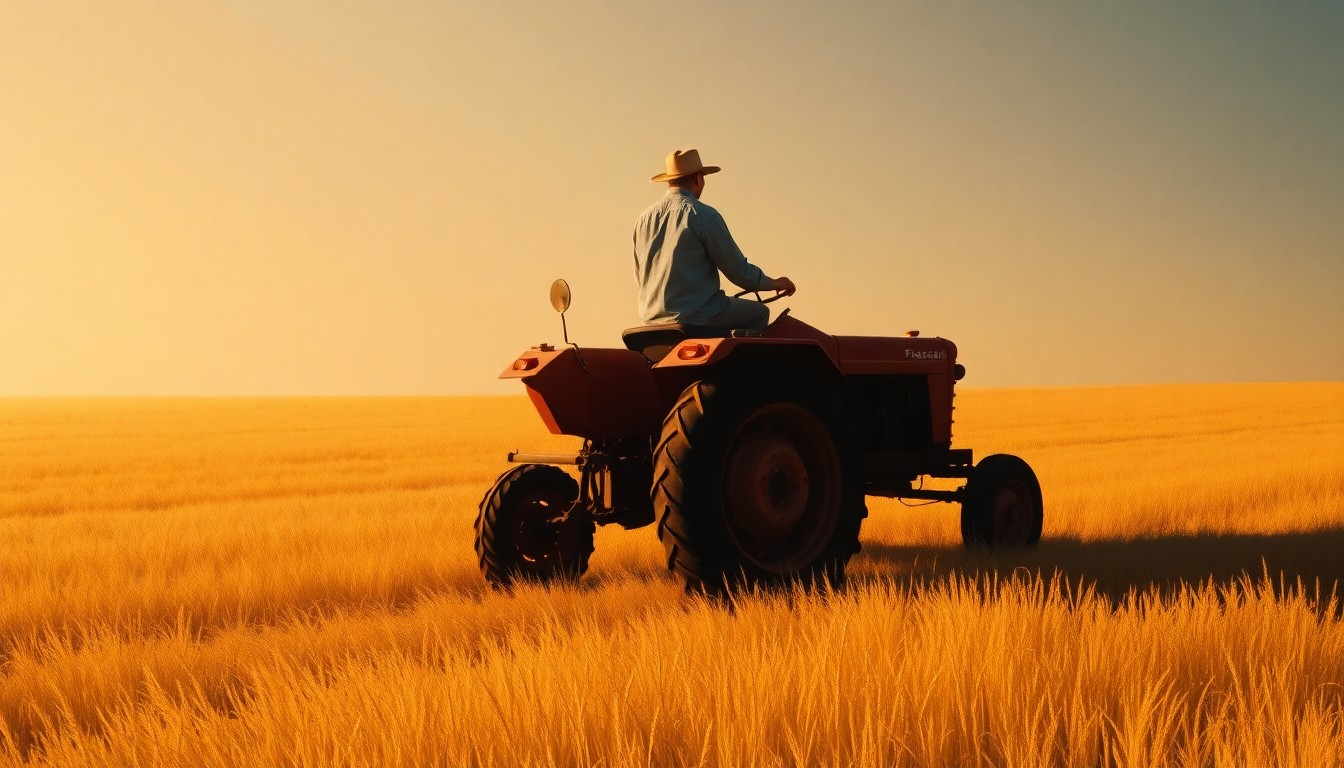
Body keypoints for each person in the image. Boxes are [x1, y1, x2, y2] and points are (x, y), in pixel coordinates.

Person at [633, 149, 796, 332]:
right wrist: (776, 283)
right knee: (759, 312)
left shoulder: (643, 220)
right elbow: (740, 273)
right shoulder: (703, 216)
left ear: (669, 181)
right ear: (698, 179)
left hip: (651, 318)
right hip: (697, 315)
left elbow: (641, 276)